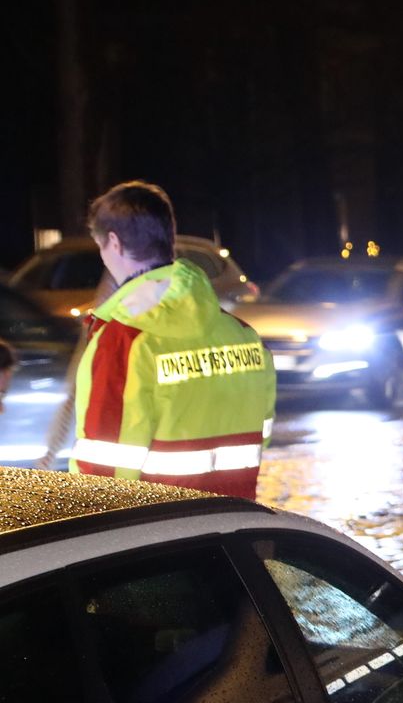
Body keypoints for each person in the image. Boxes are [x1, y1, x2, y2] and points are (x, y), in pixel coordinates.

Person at [69, 181, 275, 498]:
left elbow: (102, 475)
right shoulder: (245, 337)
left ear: (114, 243)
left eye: (101, 248)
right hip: (234, 529)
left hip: (158, 537)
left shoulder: (123, 342)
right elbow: (260, 436)